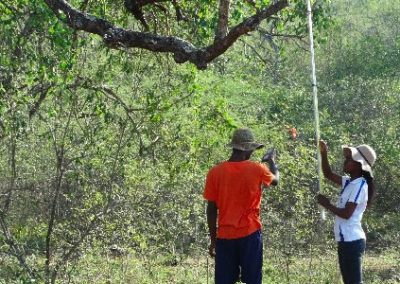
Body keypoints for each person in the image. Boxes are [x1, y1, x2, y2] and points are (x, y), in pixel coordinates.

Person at [203, 128, 279, 284]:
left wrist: (213, 240)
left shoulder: (215, 172)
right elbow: (275, 181)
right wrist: (271, 161)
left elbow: (211, 209)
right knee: (253, 280)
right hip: (250, 234)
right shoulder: (257, 168)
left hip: (224, 236)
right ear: (248, 149)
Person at [317, 140, 377, 284]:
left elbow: (346, 214)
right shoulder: (350, 182)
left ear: (359, 165)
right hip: (346, 241)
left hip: (352, 241)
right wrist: (324, 153)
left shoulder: (359, 185)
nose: (346, 161)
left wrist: (327, 204)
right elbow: (328, 174)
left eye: (349, 159)